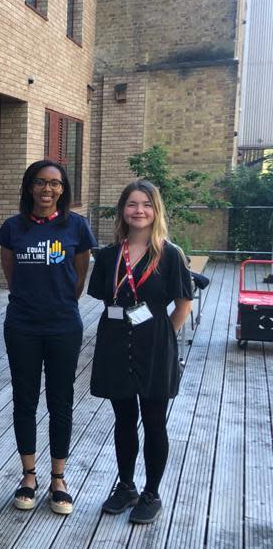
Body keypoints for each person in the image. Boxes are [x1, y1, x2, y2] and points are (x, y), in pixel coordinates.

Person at [88, 180, 192, 525]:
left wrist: (162, 337)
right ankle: (126, 485)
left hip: (155, 347)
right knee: (123, 421)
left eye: (146, 204)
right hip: (115, 344)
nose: (139, 211)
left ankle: (151, 492)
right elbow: (104, 298)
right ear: (123, 211)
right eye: (132, 204)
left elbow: (183, 303)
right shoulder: (108, 255)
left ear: (155, 210)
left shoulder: (169, 254)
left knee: (154, 422)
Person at [0, 160, 95, 515]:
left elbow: (79, 276)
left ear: (63, 189)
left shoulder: (77, 227)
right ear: (29, 187)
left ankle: (58, 478)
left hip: (63, 325)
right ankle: (28, 475)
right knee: (24, 399)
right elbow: (11, 273)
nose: (47, 189)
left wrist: (60, 301)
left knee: (60, 401)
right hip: (22, 324)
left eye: (55, 183)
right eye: (40, 182)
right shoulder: (12, 228)